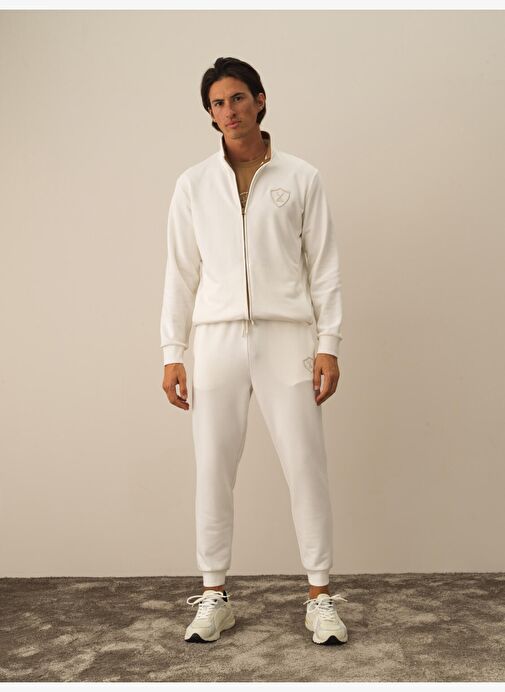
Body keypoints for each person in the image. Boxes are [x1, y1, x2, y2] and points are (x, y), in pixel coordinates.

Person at [160, 57, 349, 645]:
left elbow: (324, 267)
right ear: (210, 113)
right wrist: (172, 350)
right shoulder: (193, 184)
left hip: (286, 336)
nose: (229, 111)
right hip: (215, 339)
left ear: (260, 100)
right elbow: (180, 272)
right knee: (212, 467)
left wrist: (328, 343)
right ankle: (214, 595)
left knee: (305, 465)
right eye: (218, 103)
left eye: (238, 98)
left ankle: (320, 596)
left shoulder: (302, 177)